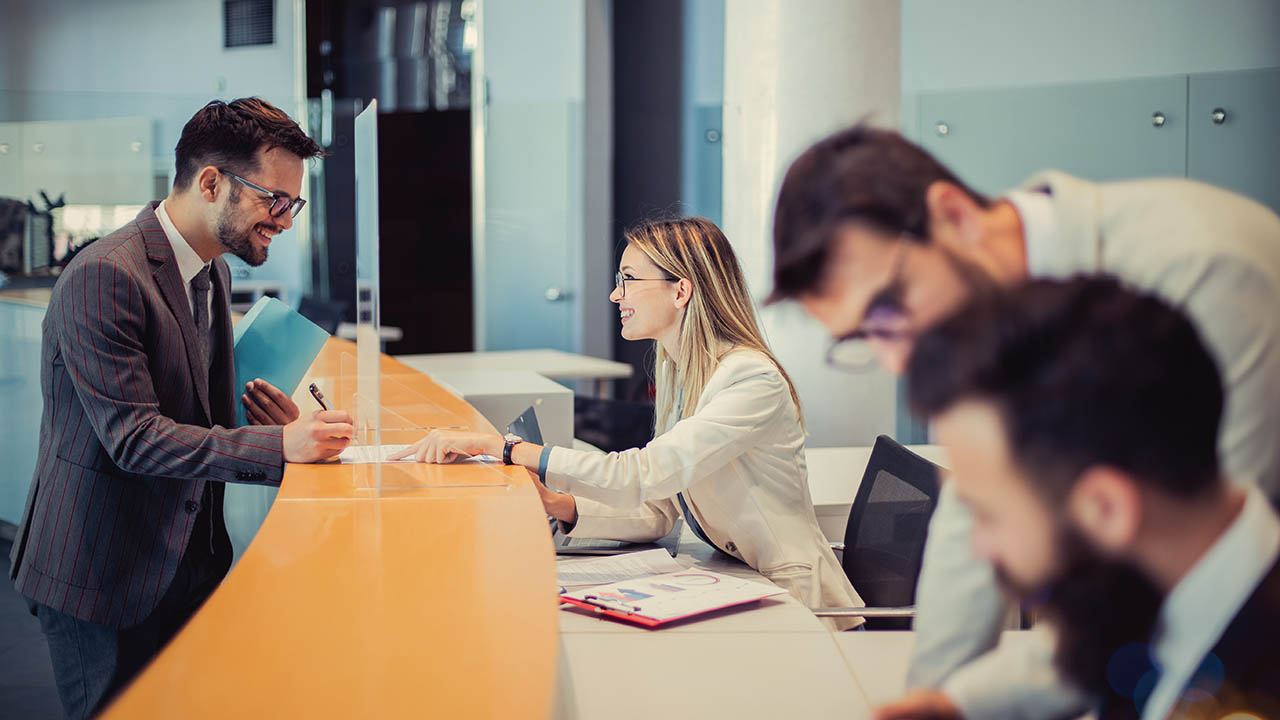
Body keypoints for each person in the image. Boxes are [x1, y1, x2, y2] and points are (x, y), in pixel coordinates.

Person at [767, 124, 1280, 718]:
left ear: (955, 217)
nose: (897, 360)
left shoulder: (1202, 270)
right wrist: (941, 701)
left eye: (887, 308)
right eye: (862, 338)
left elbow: (1188, 589)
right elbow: (973, 520)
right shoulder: (968, 319)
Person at [8, 97, 355, 718]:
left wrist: (268, 422)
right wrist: (279, 449)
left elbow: (191, 409)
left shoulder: (213, 271)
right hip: (103, 572)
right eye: (274, 199)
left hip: (187, 560)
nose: (286, 220)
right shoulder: (106, 275)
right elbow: (135, 439)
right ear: (212, 182)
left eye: (293, 203)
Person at [393, 217, 863, 626]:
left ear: (681, 290)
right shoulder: (679, 368)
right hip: (736, 579)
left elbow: (640, 475)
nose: (616, 294)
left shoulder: (749, 379)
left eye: (629, 279)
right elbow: (660, 510)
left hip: (796, 604)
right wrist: (558, 504)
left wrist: (504, 447)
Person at [880, 276, 1280, 719]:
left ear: (1106, 509)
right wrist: (957, 707)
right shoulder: (1152, 590)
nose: (978, 546)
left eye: (987, 514)